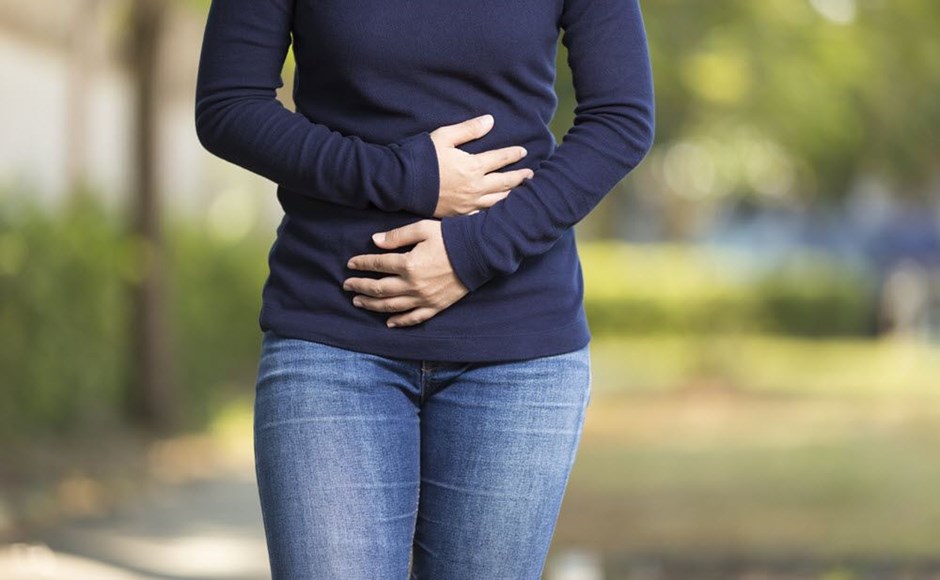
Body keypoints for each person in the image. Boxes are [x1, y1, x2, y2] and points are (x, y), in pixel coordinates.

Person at [194, 0, 654, 576]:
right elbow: (228, 107)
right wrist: (405, 175)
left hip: (518, 352)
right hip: (333, 332)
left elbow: (621, 120)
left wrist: (473, 253)